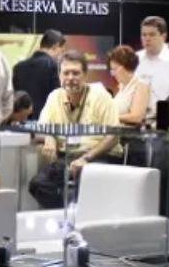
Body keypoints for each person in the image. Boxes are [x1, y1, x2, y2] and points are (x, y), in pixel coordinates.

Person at [33, 51, 118, 207]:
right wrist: (49, 138)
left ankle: (79, 216)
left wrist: (86, 158)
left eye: (75, 73)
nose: (70, 77)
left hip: (98, 156)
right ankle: (66, 215)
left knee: (84, 184)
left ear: (85, 75)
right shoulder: (54, 96)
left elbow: (113, 136)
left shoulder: (101, 96)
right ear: (59, 75)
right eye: (66, 73)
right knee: (38, 184)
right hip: (67, 156)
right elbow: (42, 127)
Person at [11, 29, 64, 120]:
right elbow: (57, 97)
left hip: (21, 120)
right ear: (55, 46)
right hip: (45, 121)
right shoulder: (53, 66)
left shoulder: (18, 67)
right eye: (61, 51)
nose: (60, 55)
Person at [106, 45, 150, 126]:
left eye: (115, 69)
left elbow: (136, 117)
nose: (113, 74)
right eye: (111, 70)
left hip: (130, 133)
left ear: (126, 66)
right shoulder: (122, 87)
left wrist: (110, 117)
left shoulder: (141, 86)